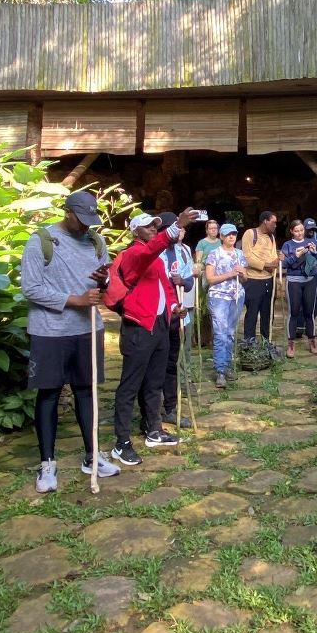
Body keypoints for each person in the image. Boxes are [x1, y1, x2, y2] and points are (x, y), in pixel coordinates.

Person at [21, 190, 120, 492]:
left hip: (88, 329)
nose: (86, 225)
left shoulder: (96, 241)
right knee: (48, 394)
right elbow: (30, 288)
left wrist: (103, 280)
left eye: (91, 219)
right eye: (81, 219)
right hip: (50, 330)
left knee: (86, 392)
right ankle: (47, 464)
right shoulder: (42, 241)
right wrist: (73, 300)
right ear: (67, 212)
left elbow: (105, 283)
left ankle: (92, 455)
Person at [108, 210, 196, 465]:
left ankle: (153, 430)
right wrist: (175, 227)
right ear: (136, 231)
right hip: (138, 326)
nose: (153, 229)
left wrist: (174, 307)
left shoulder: (156, 260)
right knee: (130, 385)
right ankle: (121, 442)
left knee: (155, 382)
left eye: (156, 226)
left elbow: (166, 288)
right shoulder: (135, 253)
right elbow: (149, 251)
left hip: (159, 325)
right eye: (148, 226)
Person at [159, 212, 195, 430]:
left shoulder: (181, 251)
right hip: (155, 315)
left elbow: (189, 280)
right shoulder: (153, 251)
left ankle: (171, 408)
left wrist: (182, 281)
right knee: (155, 364)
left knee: (172, 363)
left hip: (177, 313)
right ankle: (151, 410)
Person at [204, 224, 247, 387]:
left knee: (230, 333)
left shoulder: (240, 254)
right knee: (220, 334)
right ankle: (220, 371)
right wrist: (230, 273)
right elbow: (210, 278)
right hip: (219, 297)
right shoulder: (214, 254)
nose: (231, 237)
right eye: (228, 234)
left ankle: (227, 365)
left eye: (234, 234)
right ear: (221, 236)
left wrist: (242, 273)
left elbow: (245, 279)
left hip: (236, 296)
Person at [281, 219, 317, 357]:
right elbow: (284, 264)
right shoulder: (287, 245)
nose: (299, 233)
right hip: (293, 281)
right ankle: (291, 344)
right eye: (296, 231)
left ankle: (312, 340)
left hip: (309, 280)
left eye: (301, 230)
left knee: (310, 312)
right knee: (294, 312)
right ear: (291, 231)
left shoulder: (312, 242)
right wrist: (295, 256)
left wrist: (315, 253)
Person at [240, 210, 279, 341]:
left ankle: (265, 342)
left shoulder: (272, 237)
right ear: (265, 221)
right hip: (253, 280)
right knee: (252, 313)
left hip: (269, 280)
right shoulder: (250, 234)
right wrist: (265, 265)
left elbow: (274, 256)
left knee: (268, 313)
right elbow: (247, 257)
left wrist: (275, 262)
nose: (275, 225)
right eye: (273, 222)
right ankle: (249, 343)